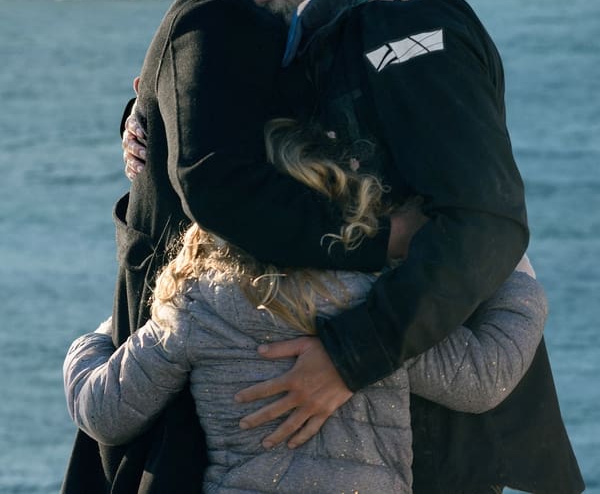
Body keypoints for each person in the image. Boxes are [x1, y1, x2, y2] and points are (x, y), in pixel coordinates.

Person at [61, 0, 486, 494]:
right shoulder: (230, 6)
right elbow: (216, 173)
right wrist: (386, 240)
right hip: (213, 322)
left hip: (239, 318)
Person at [64, 119, 548, 494]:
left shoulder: (200, 304)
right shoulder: (378, 307)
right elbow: (488, 375)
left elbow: (105, 412)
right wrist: (506, 258)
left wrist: (100, 335)